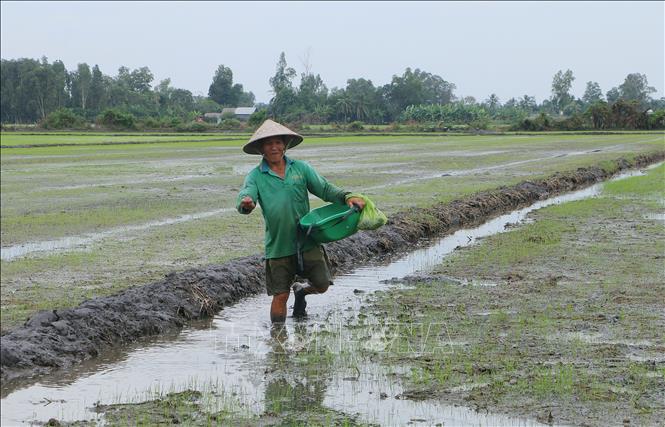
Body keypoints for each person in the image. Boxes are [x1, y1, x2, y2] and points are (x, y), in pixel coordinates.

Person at [236, 119, 365, 324]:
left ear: (285, 144)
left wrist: (348, 196)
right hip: (278, 246)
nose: (274, 147)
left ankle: (302, 292)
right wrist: (246, 204)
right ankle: (278, 342)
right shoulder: (255, 176)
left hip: (307, 240)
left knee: (322, 285)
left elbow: (325, 189)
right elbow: (245, 197)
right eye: (268, 144)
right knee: (280, 295)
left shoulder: (301, 169)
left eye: (278, 142)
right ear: (261, 148)